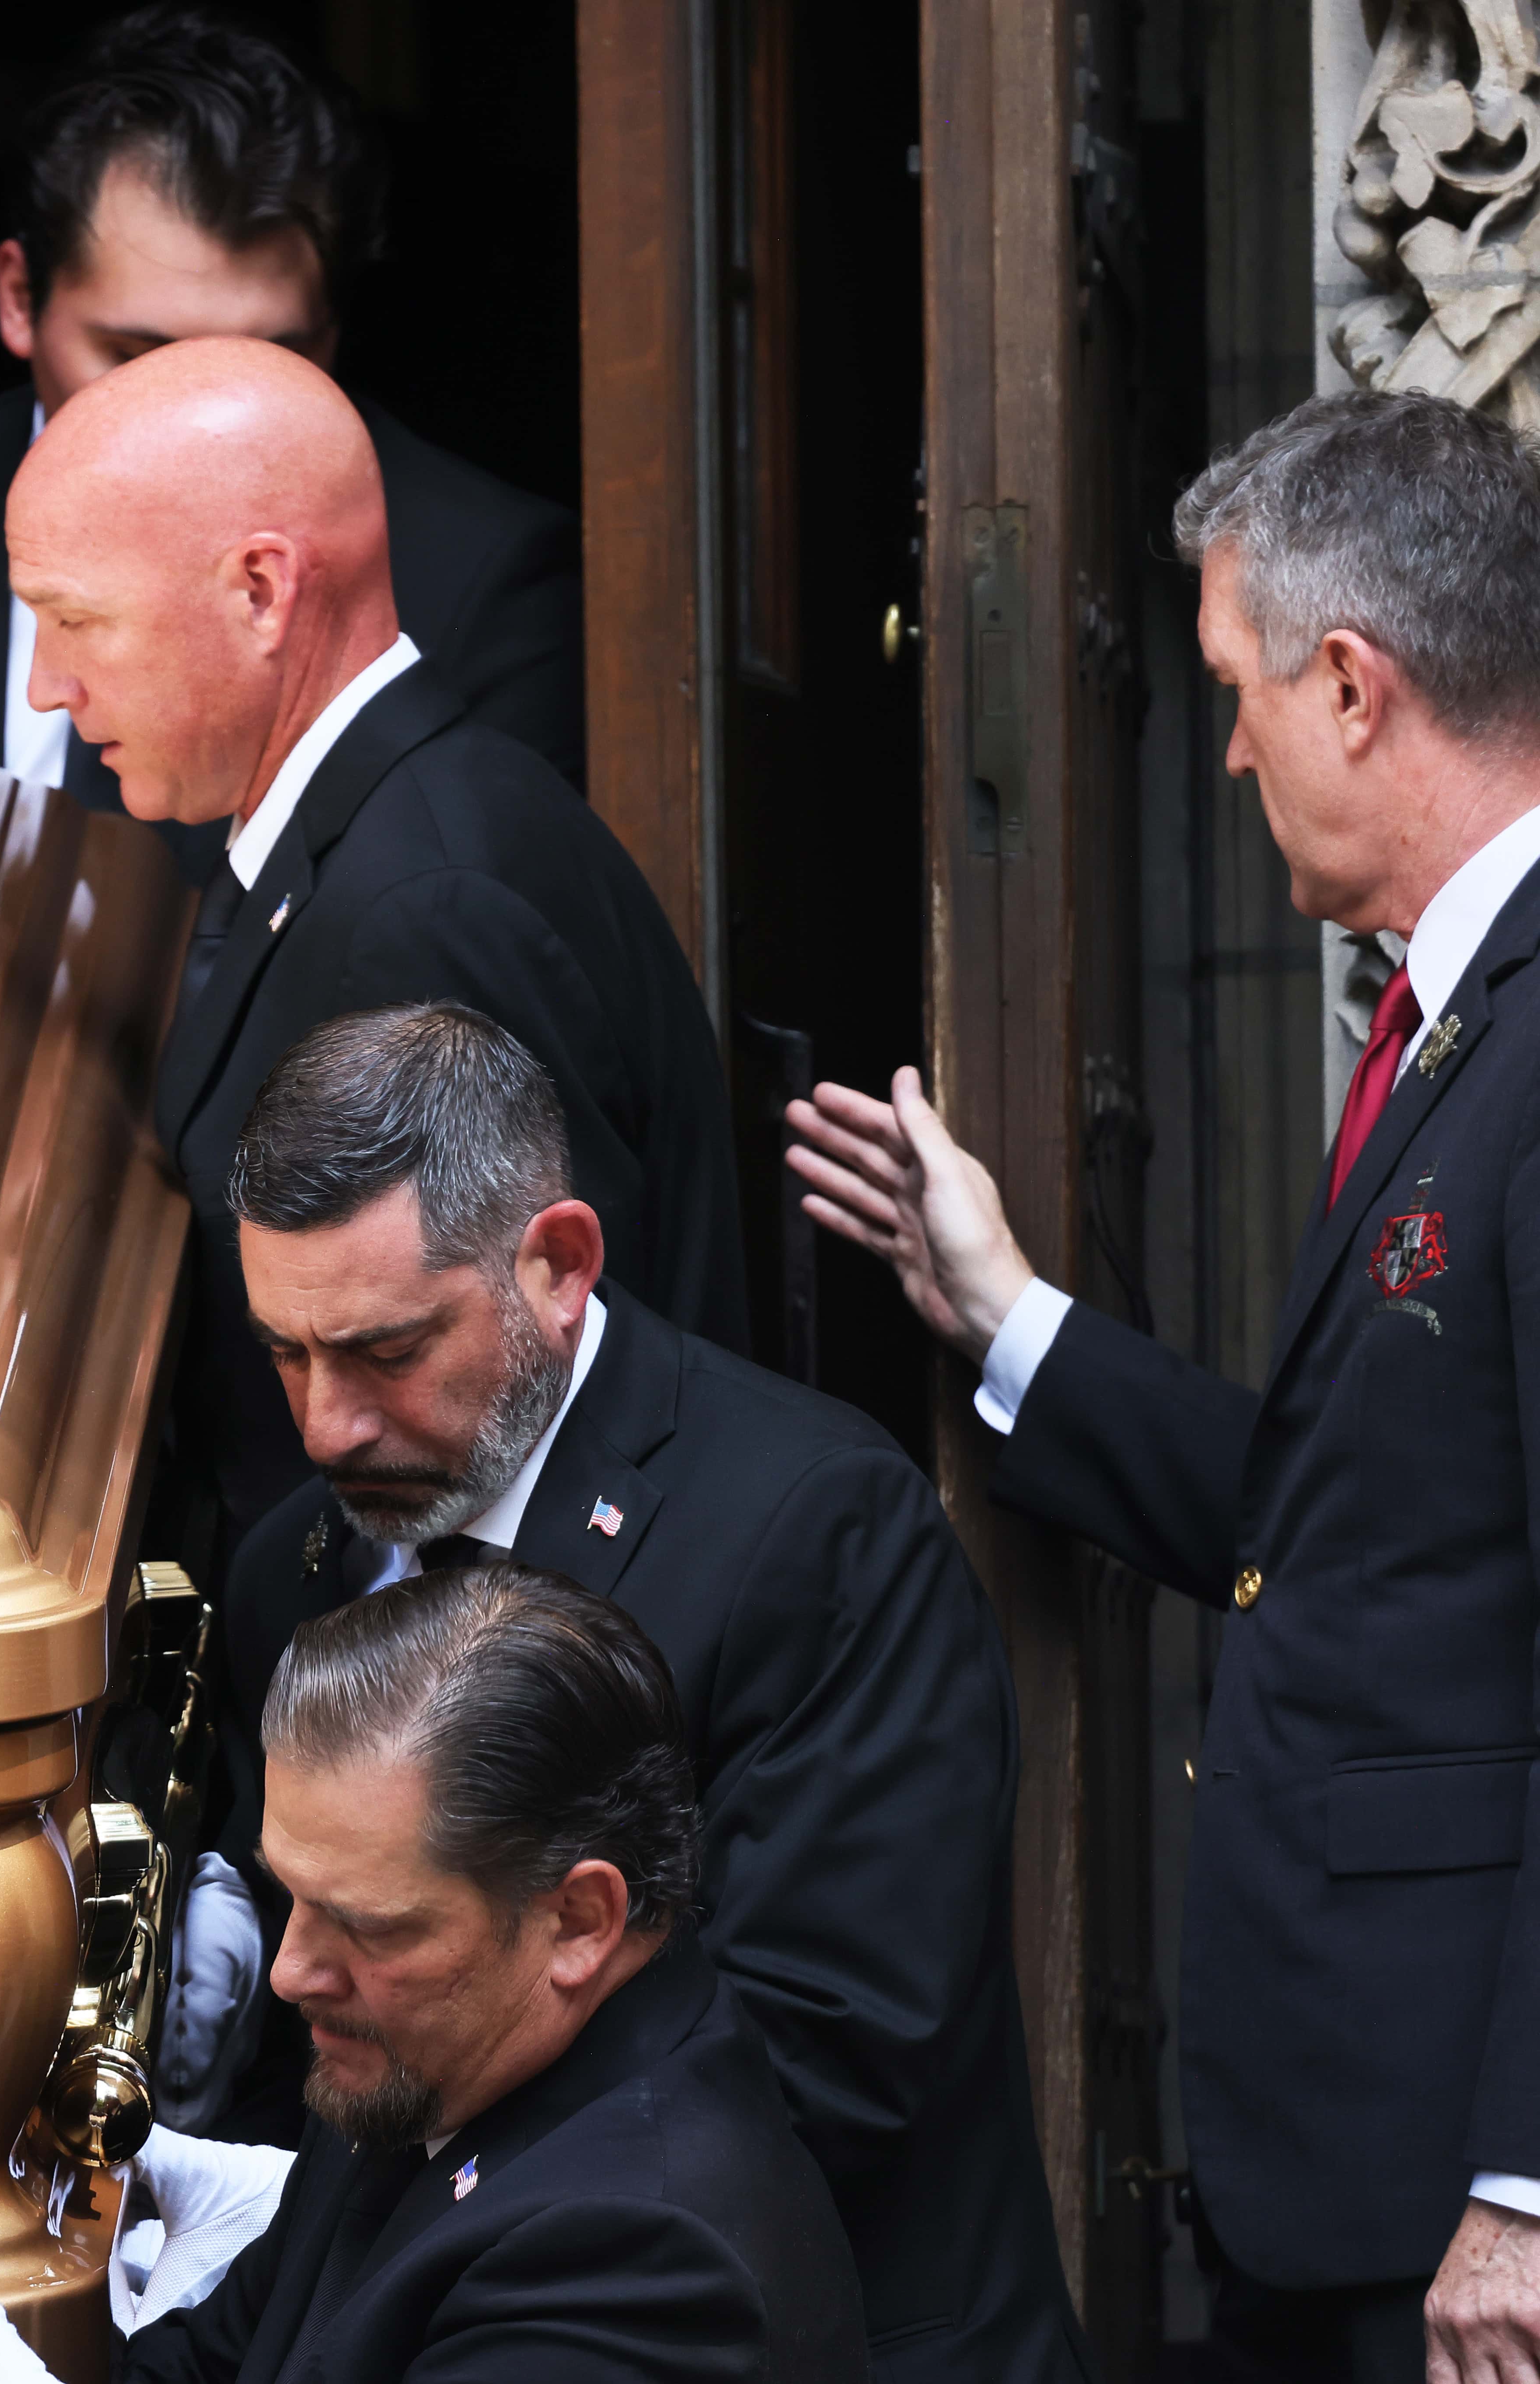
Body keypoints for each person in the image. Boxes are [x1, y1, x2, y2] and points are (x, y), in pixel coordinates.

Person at [787, 387, 1540, 2383]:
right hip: (1354, 2165)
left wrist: (1531, 2179)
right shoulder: (1454, 1018)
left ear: (1356, 687)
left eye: (1242, 687)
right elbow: (1345, 1528)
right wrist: (1005, 1308)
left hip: (1467, 2216)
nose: (1225, 745)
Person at [182, 1003, 1081, 2380]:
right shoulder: (288, 1572)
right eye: (285, 1354)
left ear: (558, 1265)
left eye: (384, 1353)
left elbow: (822, 2063)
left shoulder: (815, 1535)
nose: (324, 1426)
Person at [7, 334, 742, 1572]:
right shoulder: (373, 829)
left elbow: (533, 1424)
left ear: (261, 590)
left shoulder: (429, 905)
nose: (46, 687)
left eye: (78, 620)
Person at [0, 1567, 857, 2382]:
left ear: (577, 1921)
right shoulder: (430, 2046)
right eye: (293, 1897)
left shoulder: (638, 2266)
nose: (289, 1972)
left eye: (365, 1924)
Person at [0, 3, 583, 860]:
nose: (185, 412)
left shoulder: (481, 584)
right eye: (130, 352)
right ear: (18, 300)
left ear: (329, 334)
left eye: (258, 357)